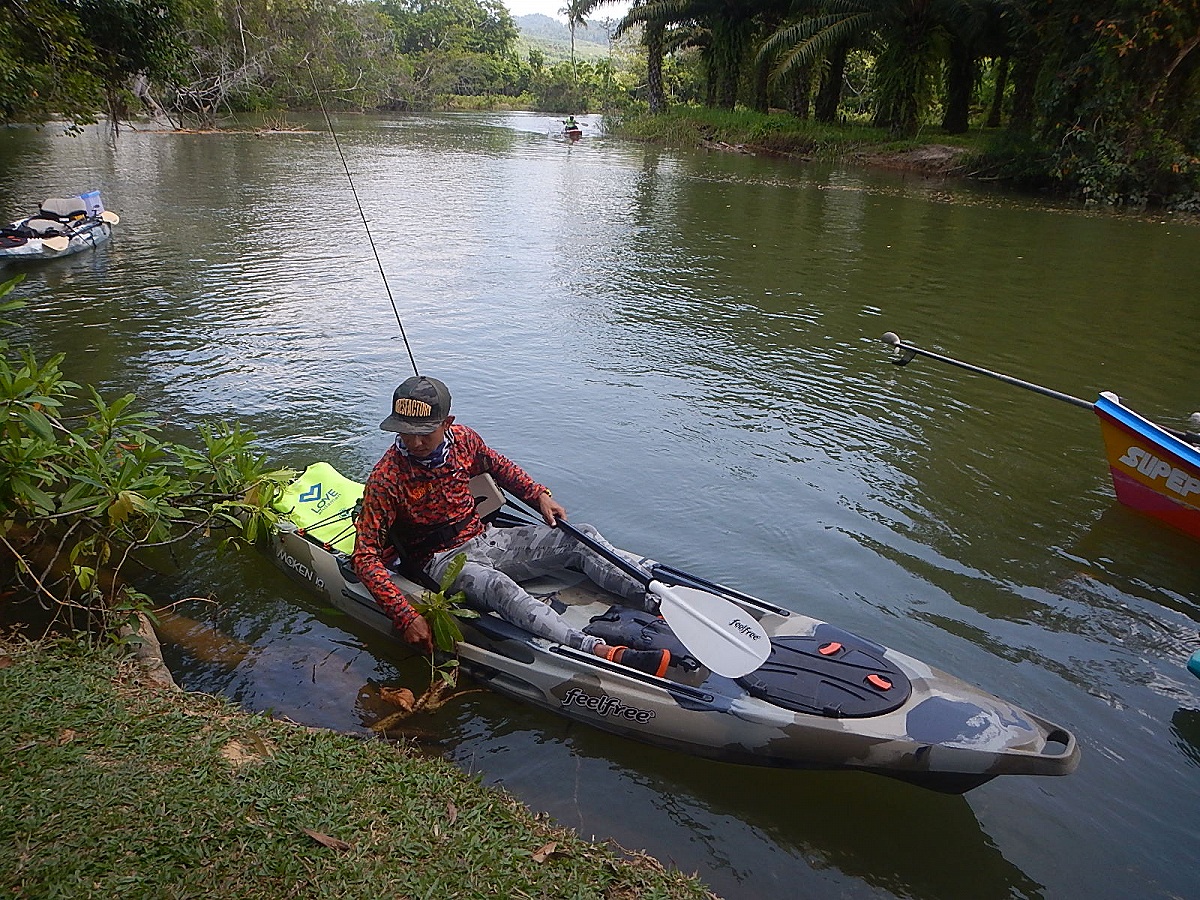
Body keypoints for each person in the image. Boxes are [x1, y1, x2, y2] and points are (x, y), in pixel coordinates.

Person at [352, 375, 671, 677]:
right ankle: (596, 649)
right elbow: (365, 557)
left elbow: (498, 466)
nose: (416, 441)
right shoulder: (387, 477)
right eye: (407, 432)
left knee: (581, 536)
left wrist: (539, 495)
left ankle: (655, 602)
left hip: (485, 537)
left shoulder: (463, 440)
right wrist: (405, 616)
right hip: (439, 562)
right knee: (497, 586)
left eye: (426, 431)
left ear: (447, 424)